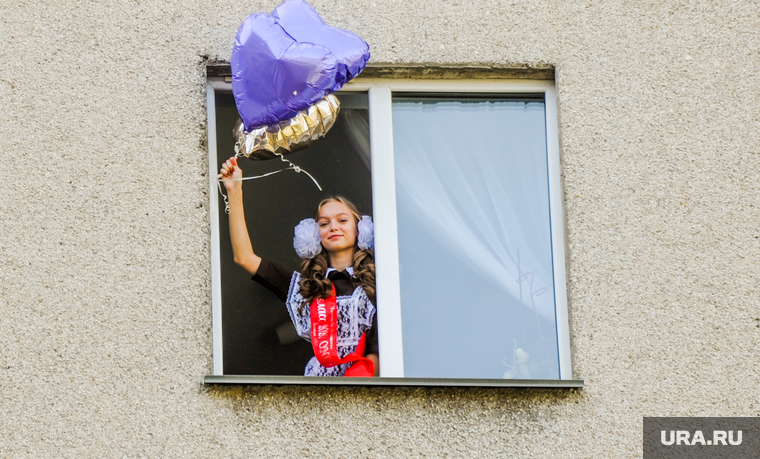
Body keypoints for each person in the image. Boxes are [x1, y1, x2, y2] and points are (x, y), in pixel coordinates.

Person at [220, 157, 379, 377]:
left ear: (361, 228)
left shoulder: (376, 282)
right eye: (324, 223)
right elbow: (244, 257)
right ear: (314, 235)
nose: (333, 227)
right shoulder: (305, 286)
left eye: (342, 220)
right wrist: (235, 190)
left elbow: (376, 352)